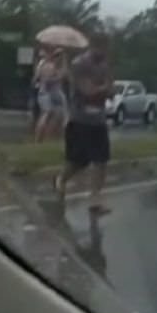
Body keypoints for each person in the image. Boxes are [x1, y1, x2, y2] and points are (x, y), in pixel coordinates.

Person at [54, 34, 113, 214]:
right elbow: (87, 91)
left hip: (98, 120)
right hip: (80, 119)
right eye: (101, 47)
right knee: (78, 162)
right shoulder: (80, 64)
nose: (104, 52)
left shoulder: (104, 65)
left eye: (106, 48)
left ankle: (95, 200)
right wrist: (104, 87)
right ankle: (61, 180)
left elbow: (109, 91)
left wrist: (104, 88)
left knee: (101, 160)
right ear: (93, 46)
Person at [34, 47, 68, 142]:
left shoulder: (45, 65)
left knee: (56, 115)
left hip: (50, 93)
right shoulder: (46, 65)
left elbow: (63, 74)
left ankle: (47, 138)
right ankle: (40, 138)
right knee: (47, 114)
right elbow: (48, 80)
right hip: (46, 93)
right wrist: (58, 78)